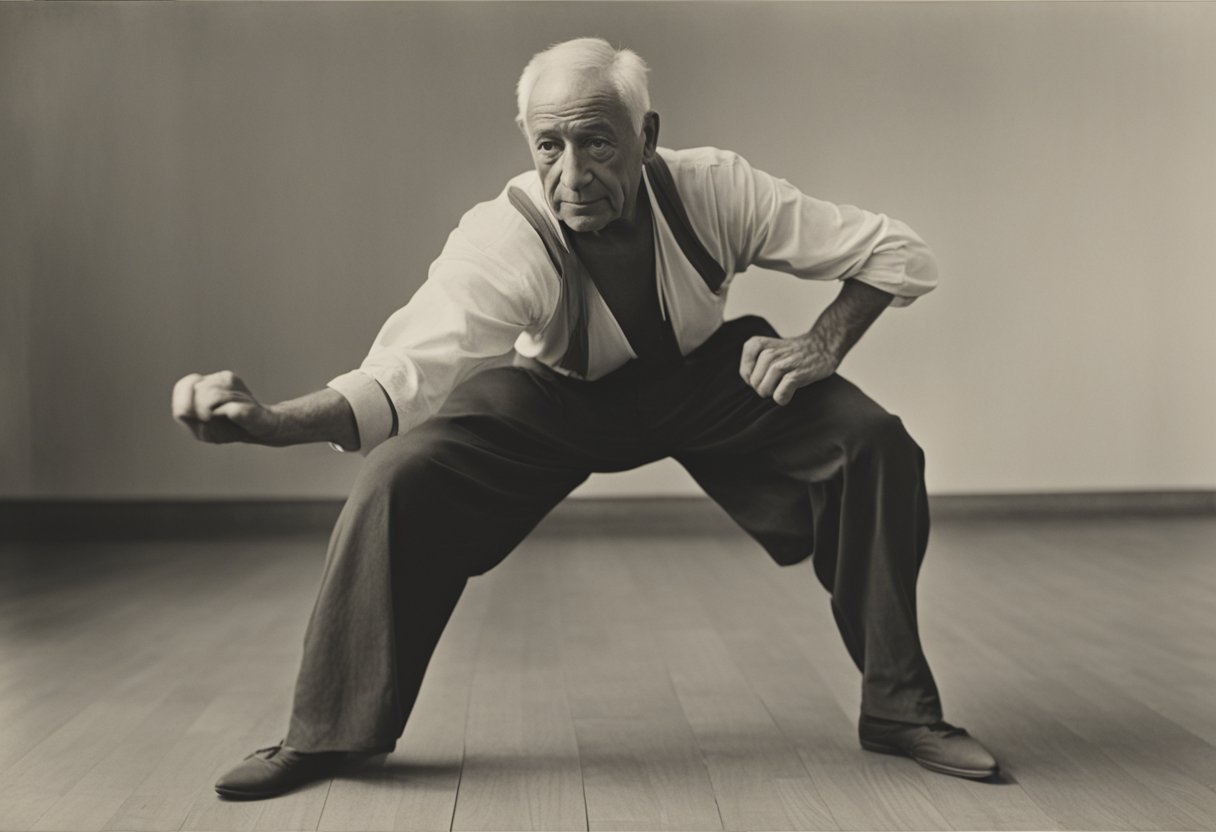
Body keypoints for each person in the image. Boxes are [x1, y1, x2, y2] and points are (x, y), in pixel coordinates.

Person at [172, 37, 999, 801]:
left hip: (704, 383)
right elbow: (400, 377)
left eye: (598, 143)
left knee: (874, 444)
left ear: (647, 136)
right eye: (549, 146)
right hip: (553, 400)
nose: (572, 174)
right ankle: (324, 736)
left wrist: (822, 344)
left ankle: (901, 710)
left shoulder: (715, 188)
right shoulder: (504, 237)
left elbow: (898, 252)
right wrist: (271, 421)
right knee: (397, 478)